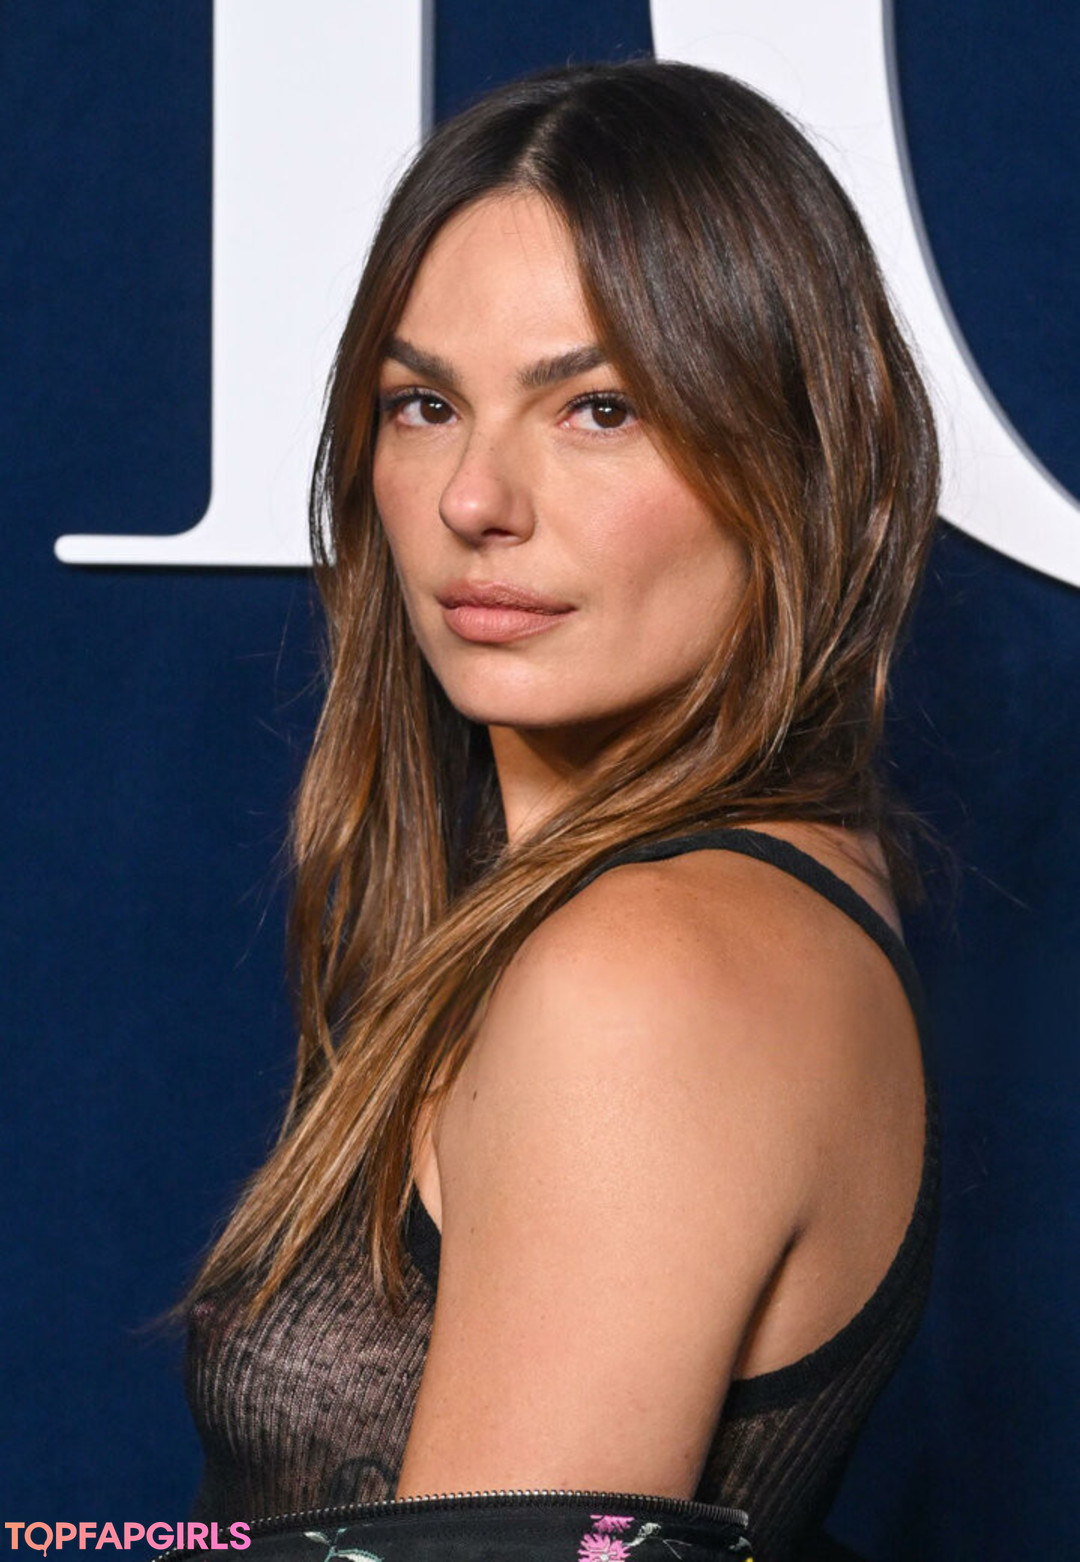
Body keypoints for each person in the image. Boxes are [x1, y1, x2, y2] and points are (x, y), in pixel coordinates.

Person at [181, 59, 942, 1562]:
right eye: (423, 404)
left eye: (598, 408)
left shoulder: (647, 975)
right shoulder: (704, 907)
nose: (474, 499)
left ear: (794, 457)